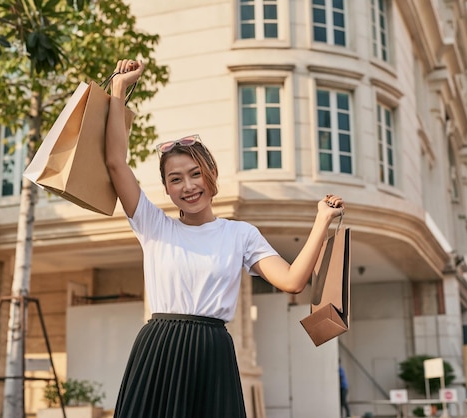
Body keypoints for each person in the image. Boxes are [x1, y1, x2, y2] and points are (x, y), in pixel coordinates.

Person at [105, 58, 346, 418]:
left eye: (194, 174)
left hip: (212, 352)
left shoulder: (240, 234)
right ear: (167, 188)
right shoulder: (153, 225)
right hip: (158, 351)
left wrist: (321, 221)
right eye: (175, 179)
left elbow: (294, 281)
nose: (187, 186)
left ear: (211, 174)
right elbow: (115, 163)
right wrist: (119, 92)